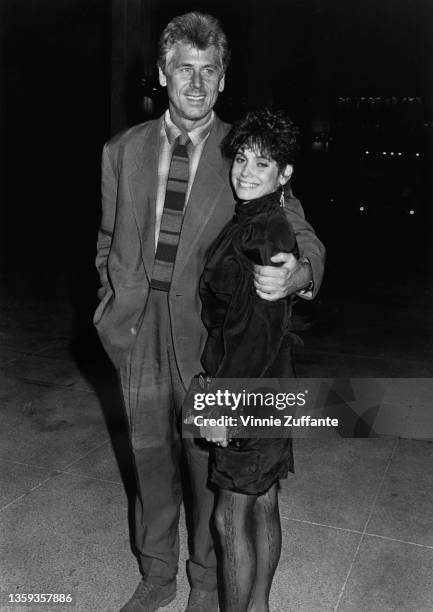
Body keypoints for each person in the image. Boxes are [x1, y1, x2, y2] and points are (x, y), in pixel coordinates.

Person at [94, 11, 325, 612]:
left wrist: (301, 273)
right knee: (149, 462)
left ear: (223, 80)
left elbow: (298, 225)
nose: (195, 84)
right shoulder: (121, 151)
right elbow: (107, 239)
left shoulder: (241, 153)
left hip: (207, 344)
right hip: (137, 337)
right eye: (183, 70)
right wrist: (110, 307)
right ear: (163, 75)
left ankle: (203, 581)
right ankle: (155, 575)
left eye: (209, 71)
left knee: (207, 471)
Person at [196, 109, 301, 612]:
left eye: (263, 163)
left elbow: (254, 335)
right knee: (263, 500)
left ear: (284, 176)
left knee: (227, 517)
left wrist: (219, 404)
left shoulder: (263, 232)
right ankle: (258, 605)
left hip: (249, 391)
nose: (245, 171)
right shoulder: (256, 220)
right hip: (271, 388)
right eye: (241, 158)